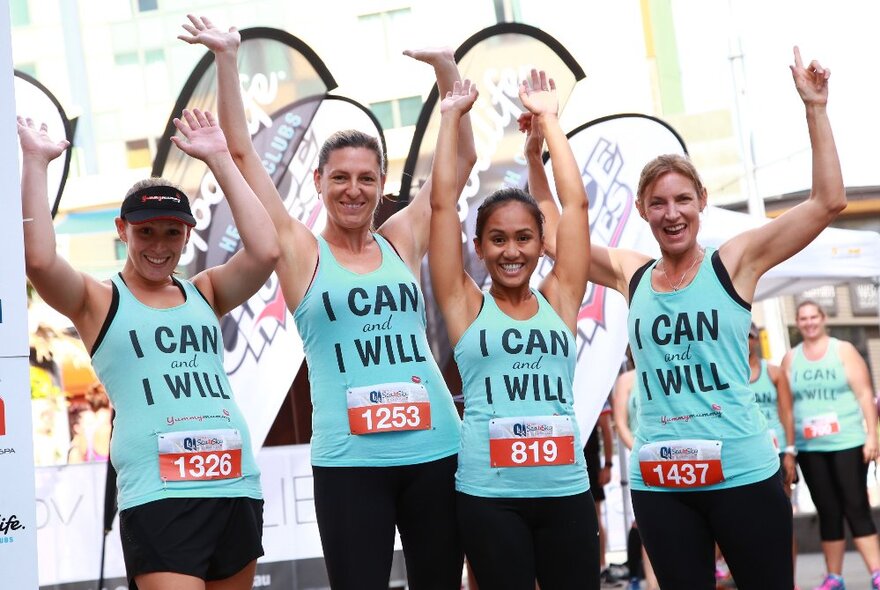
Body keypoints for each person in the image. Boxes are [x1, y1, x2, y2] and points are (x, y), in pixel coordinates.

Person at [179, 15, 476, 590]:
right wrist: (227, 57)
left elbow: (457, 167)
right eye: (340, 177)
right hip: (350, 462)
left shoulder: (401, 240)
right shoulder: (299, 251)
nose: (354, 189)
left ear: (382, 183)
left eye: (367, 178)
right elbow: (242, 157)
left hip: (436, 445)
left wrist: (447, 77)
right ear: (317, 180)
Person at [570, 46, 843, 588]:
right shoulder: (633, 273)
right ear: (643, 210)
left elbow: (827, 201)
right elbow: (561, 239)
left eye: (683, 200)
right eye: (658, 203)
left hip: (741, 469)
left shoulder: (736, 262)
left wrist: (815, 108)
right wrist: (538, 150)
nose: (672, 213)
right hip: (661, 479)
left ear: (701, 202)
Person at [20, 108, 279, 590]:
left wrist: (220, 158)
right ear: (122, 230)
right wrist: (35, 162)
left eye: (172, 232)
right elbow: (38, 259)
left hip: (232, 481)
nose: (159, 246)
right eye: (145, 232)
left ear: (188, 233)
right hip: (159, 495)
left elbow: (266, 251)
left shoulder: (206, 291)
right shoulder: (99, 300)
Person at [429, 69, 598, 589]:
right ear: (478, 248)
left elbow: (577, 205)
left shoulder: (561, 296)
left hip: (565, 490)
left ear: (539, 241)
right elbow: (440, 205)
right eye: (497, 239)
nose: (512, 251)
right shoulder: (465, 305)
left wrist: (549, 121)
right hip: (489, 497)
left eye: (524, 238)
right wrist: (450, 117)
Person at [781, 300, 880, 590]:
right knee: (827, 509)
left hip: (847, 440)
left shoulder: (843, 350)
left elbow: (864, 394)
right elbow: (786, 406)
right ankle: (834, 577)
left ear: (823, 319)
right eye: (803, 318)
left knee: (855, 505)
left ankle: (876, 571)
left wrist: (872, 437)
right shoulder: (791, 358)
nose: (809, 322)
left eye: (814, 317)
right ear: (797, 323)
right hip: (810, 446)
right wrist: (789, 446)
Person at [611, 368, 659, 590]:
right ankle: (652, 584)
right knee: (646, 524)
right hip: (643, 461)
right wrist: (641, 452)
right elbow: (620, 423)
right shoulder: (627, 380)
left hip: (676, 457)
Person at [584, 399, 614, 582]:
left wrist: (608, 465)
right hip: (565, 461)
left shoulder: (595, 389)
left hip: (590, 461)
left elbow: (606, 430)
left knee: (595, 517)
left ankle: (602, 565)